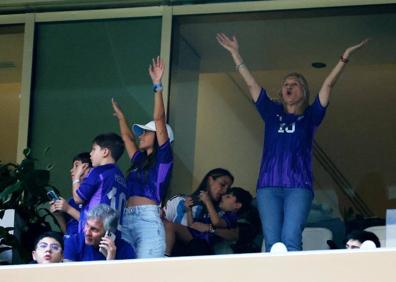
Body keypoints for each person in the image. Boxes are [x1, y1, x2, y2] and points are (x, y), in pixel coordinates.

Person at [217, 32, 368, 251]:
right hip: (268, 187)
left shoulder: (311, 115)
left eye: (295, 84)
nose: (289, 86)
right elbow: (251, 85)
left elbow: (327, 86)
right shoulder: (271, 111)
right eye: (286, 83)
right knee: (272, 241)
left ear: (303, 91)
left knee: (290, 238)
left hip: (298, 187)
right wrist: (235, 54)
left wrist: (343, 58)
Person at [112, 57, 174, 258]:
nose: (141, 135)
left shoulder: (164, 158)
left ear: (159, 136)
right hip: (127, 218)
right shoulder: (140, 160)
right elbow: (127, 138)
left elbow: (159, 119)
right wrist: (122, 118)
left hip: (148, 219)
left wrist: (157, 85)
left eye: (146, 132)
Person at [165, 187, 252, 256]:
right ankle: (165, 255)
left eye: (228, 196)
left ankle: (165, 256)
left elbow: (217, 222)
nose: (222, 196)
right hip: (194, 235)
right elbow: (192, 225)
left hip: (202, 242)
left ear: (237, 205)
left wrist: (207, 201)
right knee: (167, 225)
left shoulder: (232, 217)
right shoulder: (218, 213)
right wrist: (189, 210)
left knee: (170, 227)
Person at [72, 133, 128, 232]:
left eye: (94, 149)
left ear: (105, 152)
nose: (90, 154)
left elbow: (78, 198)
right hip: (113, 234)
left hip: (94, 232)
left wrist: (76, 177)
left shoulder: (99, 172)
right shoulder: (121, 177)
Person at [64, 204, 135, 261]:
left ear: (109, 233)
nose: (87, 232)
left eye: (94, 229)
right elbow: (67, 276)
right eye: (87, 225)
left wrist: (111, 261)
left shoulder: (125, 249)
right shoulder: (73, 242)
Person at [164, 168, 234, 226]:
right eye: (222, 184)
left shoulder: (221, 213)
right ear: (210, 180)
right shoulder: (179, 201)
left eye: (227, 189)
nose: (225, 191)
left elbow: (233, 234)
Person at [50, 152, 92, 235]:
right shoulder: (70, 201)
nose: (71, 170)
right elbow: (66, 233)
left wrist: (68, 209)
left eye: (76, 166)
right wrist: (58, 215)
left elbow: (92, 224)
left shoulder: (95, 197)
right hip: (71, 245)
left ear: (87, 168)